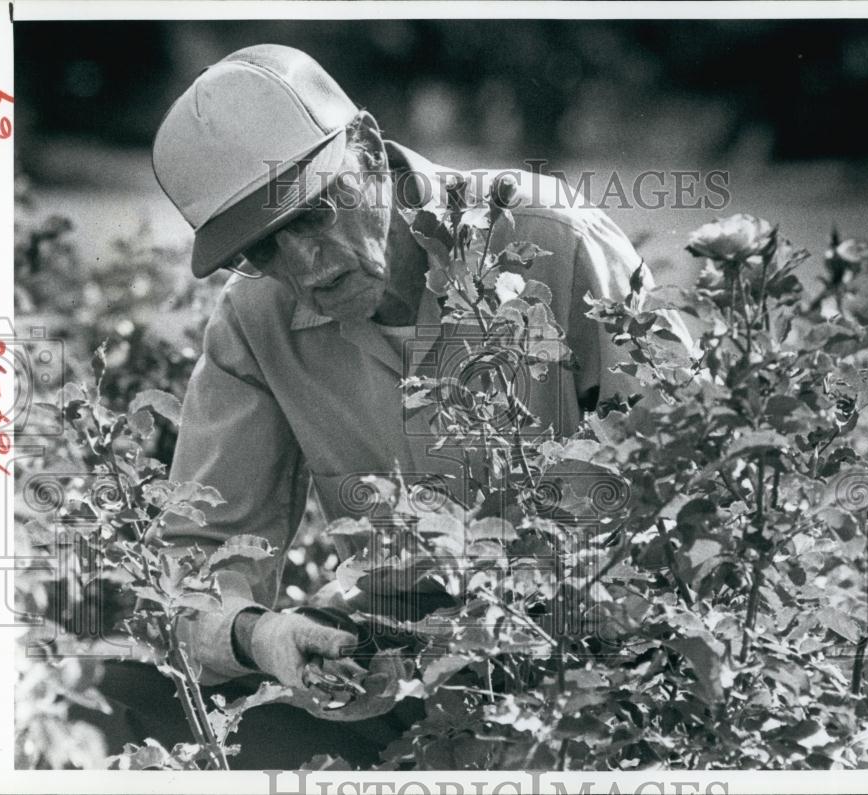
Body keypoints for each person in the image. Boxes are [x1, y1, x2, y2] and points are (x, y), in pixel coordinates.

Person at [86, 42, 693, 769]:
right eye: (262, 248)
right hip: (397, 663)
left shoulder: (548, 240)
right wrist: (262, 634)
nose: (307, 266)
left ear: (369, 148)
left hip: (587, 643)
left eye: (314, 213)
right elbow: (195, 559)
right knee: (123, 689)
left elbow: (687, 471)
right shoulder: (254, 319)